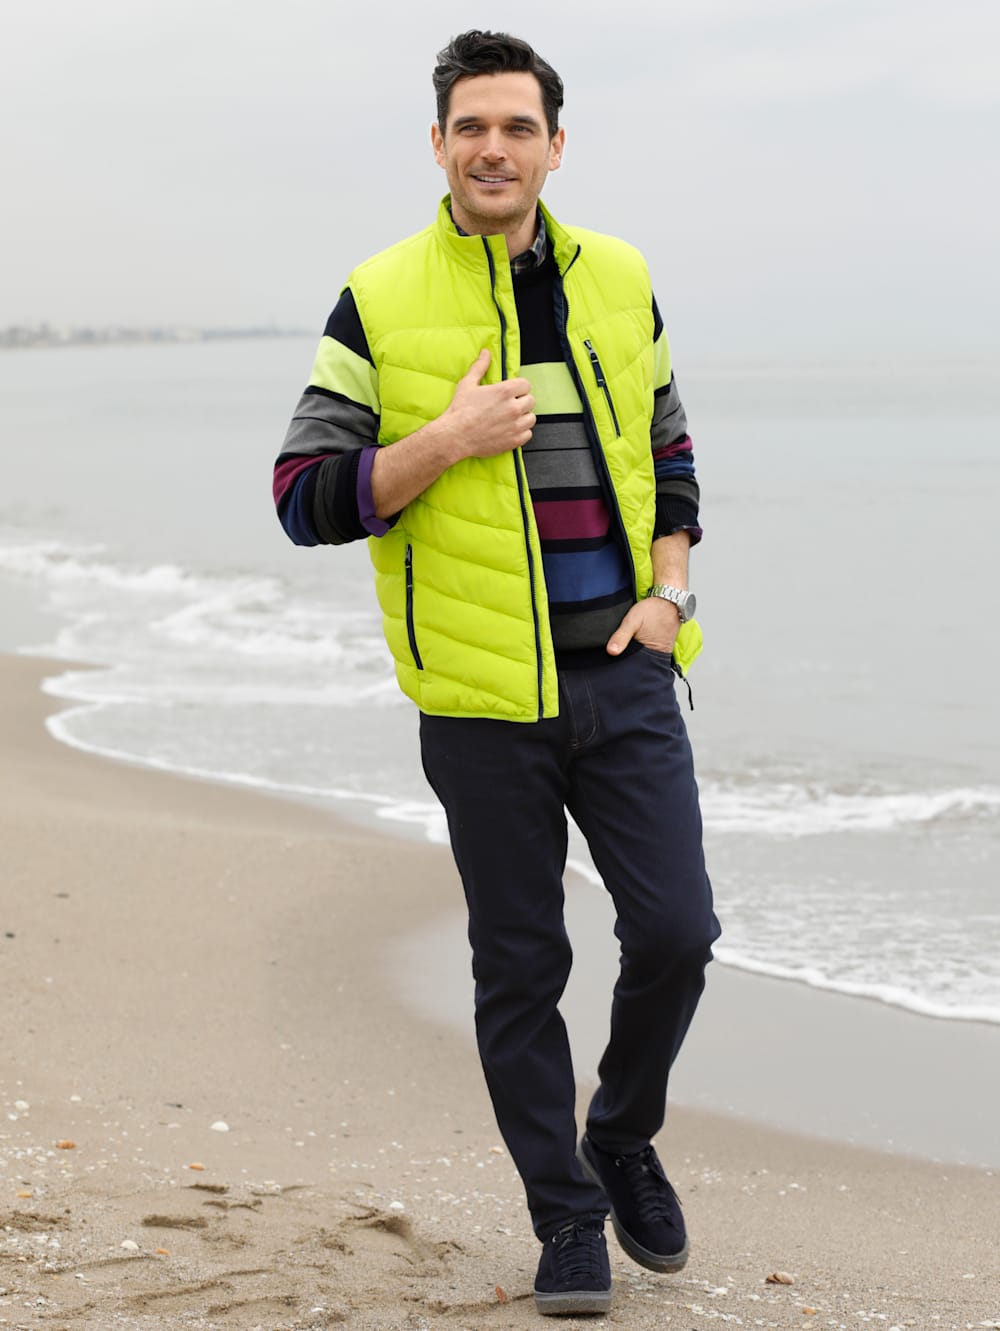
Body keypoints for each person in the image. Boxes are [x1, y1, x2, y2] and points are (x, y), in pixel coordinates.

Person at [273, 29, 720, 1318]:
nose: (493, 148)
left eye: (518, 127)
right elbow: (304, 498)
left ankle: (620, 1135)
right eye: (470, 126)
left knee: (677, 934)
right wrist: (447, 438)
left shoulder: (620, 277)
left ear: (554, 147)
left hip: (624, 674)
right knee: (520, 968)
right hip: (478, 702)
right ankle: (566, 1220)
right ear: (438, 145)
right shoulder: (377, 298)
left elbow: (671, 456)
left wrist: (670, 594)